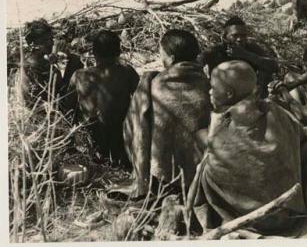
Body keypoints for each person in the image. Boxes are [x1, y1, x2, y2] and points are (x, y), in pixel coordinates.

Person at [192, 60, 307, 234]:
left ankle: (215, 218)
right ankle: (306, 192)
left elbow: (218, 167)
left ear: (229, 94)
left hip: (256, 222)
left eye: (213, 87)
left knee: (204, 166)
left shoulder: (223, 127)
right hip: (291, 212)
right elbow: (300, 137)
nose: (209, 91)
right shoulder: (274, 110)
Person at [121, 29, 211, 198]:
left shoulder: (153, 85)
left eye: (161, 53)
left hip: (163, 176)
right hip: (204, 174)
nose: (161, 58)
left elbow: (133, 128)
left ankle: (144, 179)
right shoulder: (211, 84)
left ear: (171, 58)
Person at [65, 30, 140, 166]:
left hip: (92, 144)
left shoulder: (79, 76)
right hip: (121, 141)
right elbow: (141, 101)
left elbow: (68, 109)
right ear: (118, 52)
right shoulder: (127, 72)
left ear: (94, 53)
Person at [197, 16, 278, 96]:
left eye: (243, 36)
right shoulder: (214, 51)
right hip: (223, 97)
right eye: (235, 36)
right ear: (225, 36)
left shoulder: (252, 48)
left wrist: (247, 55)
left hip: (250, 96)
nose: (239, 39)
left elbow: (274, 66)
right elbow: (195, 65)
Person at [19, 19, 83, 109]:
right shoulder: (30, 66)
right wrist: (61, 63)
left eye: (51, 39)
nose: (51, 43)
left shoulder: (44, 59)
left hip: (53, 104)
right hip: (46, 110)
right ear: (33, 44)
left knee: (74, 60)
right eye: (45, 40)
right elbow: (54, 92)